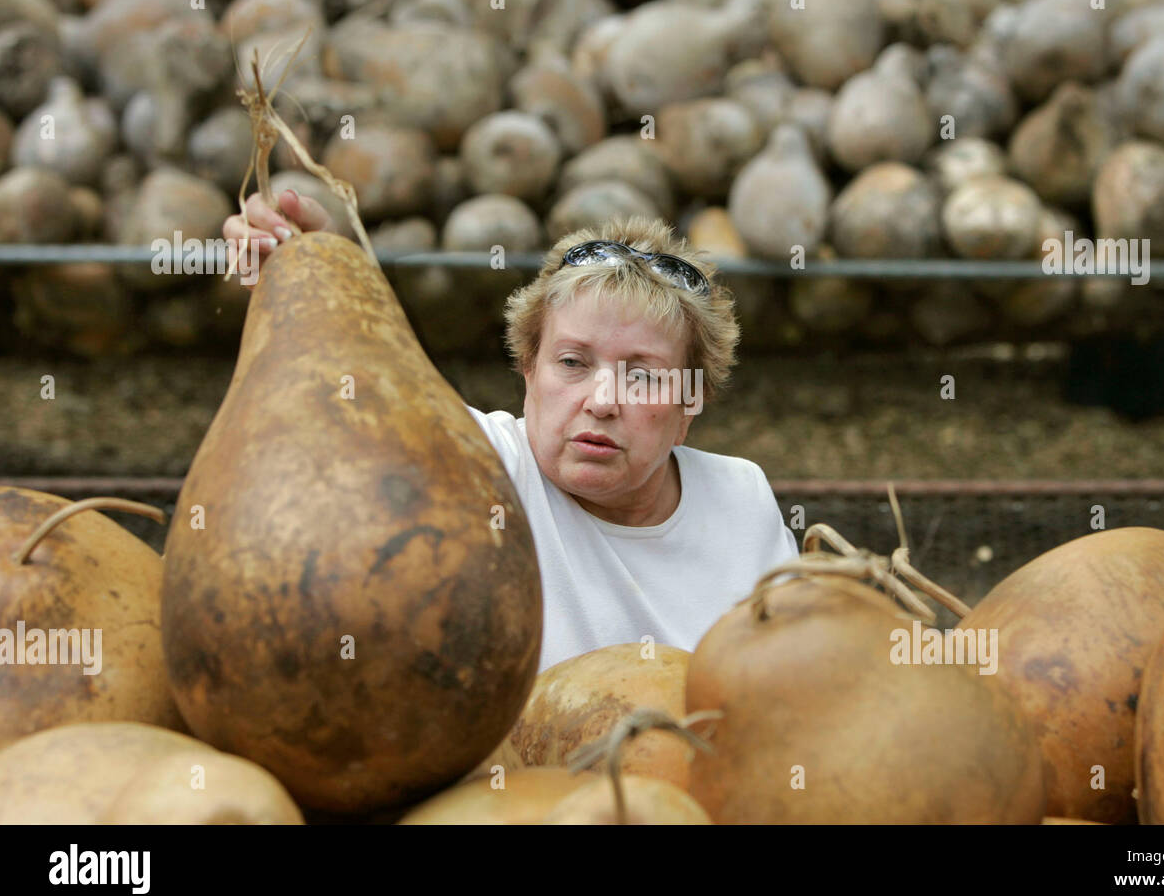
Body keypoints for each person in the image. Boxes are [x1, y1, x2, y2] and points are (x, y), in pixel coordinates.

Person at [224, 194, 799, 671]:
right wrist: (307, 264)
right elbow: (347, 396)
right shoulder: (479, 461)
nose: (601, 402)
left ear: (688, 406)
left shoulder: (739, 498)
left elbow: (788, 683)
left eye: (643, 375)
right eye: (572, 363)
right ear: (528, 369)